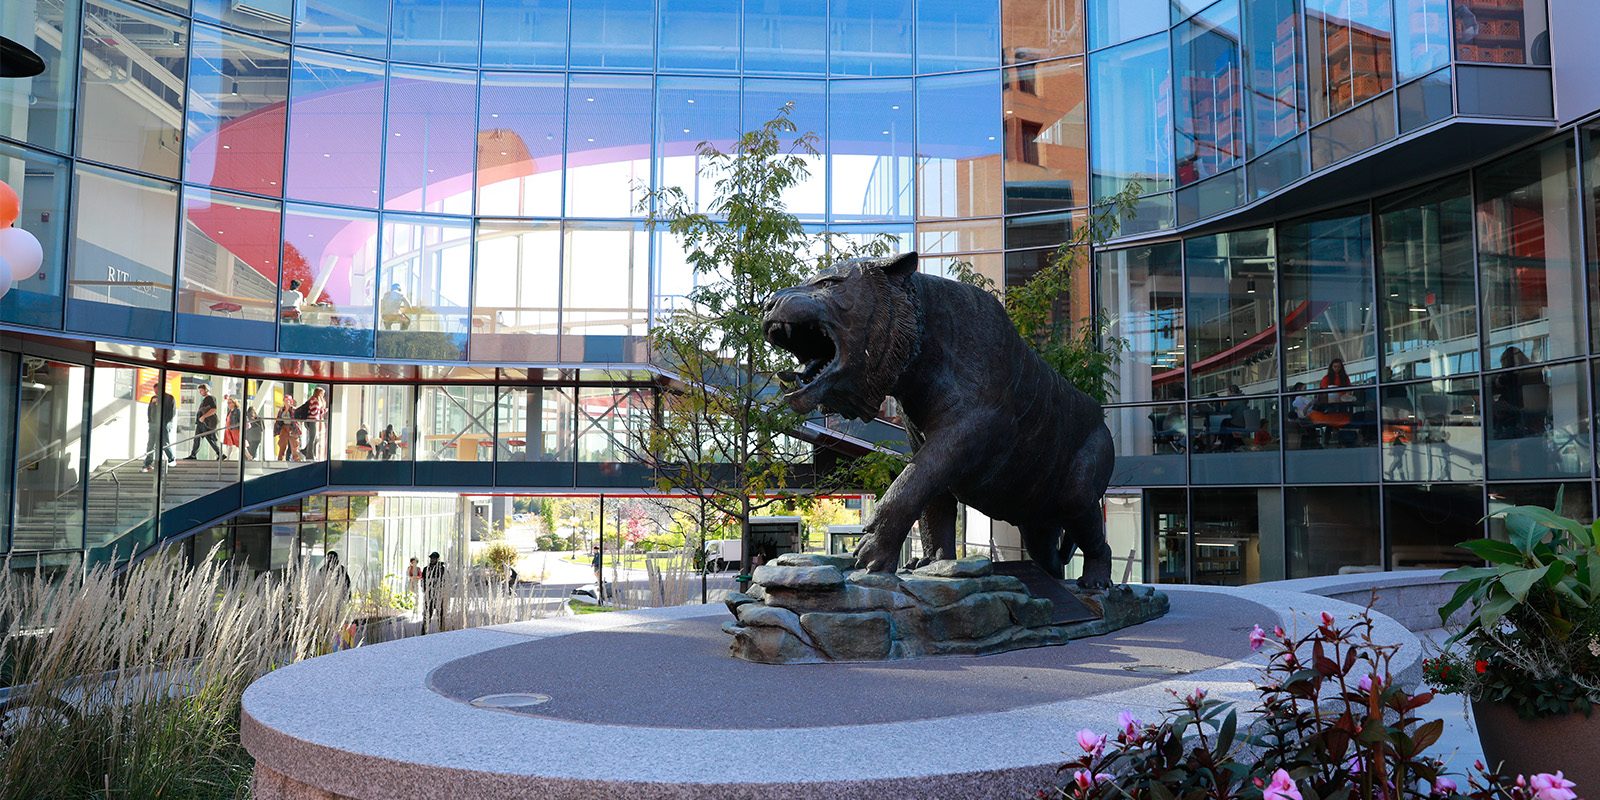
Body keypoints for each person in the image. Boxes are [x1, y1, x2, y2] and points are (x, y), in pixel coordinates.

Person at [185, 384, 223, 460]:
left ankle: (220, 453)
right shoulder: (206, 399)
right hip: (202, 422)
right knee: (200, 438)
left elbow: (213, 409)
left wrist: (203, 417)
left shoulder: (210, 398)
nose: (200, 392)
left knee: (207, 438)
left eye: (201, 390)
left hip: (205, 422)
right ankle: (193, 455)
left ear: (206, 390)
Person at [143, 390, 177, 471]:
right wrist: (150, 421)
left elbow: (172, 412)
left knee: (164, 442)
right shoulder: (154, 398)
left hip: (164, 424)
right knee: (151, 443)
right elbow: (150, 410)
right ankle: (148, 463)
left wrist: (166, 422)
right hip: (154, 424)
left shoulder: (169, 398)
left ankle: (171, 459)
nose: (156, 391)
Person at [421, 552, 447, 633]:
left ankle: (441, 631)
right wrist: (425, 589)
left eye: (434, 558)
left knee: (440, 615)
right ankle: (424, 632)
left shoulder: (442, 569)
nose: (432, 560)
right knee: (427, 614)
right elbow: (423, 580)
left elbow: (446, 580)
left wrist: (442, 590)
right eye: (431, 558)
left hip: (439, 595)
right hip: (429, 595)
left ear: (437, 559)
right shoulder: (426, 569)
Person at [300, 387, 327, 460]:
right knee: (313, 438)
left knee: (315, 438)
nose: (323, 395)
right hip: (312, 421)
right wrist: (323, 411)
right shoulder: (315, 400)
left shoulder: (312, 399)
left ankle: (306, 450)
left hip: (310, 420)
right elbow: (314, 411)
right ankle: (309, 455)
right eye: (322, 393)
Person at [277, 393, 301, 462]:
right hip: (284, 426)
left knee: (294, 444)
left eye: (288, 400)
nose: (286, 402)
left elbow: (297, 419)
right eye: (285, 400)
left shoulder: (293, 409)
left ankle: (296, 459)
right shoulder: (281, 410)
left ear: (290, 401)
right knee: (282, 443)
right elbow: (278, 419)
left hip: (292, 427)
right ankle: (281, 458)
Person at [222, 395, 242, 459]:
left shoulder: (237, 410)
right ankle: (228, 457)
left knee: (239, 443)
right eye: (228, 403)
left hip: (235, 429)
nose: (228, 404)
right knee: (229, 444)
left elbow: (240, 420)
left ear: (234, 403)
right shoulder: (229, 410)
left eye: (229, 403)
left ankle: (248, 456)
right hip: (228, 428)